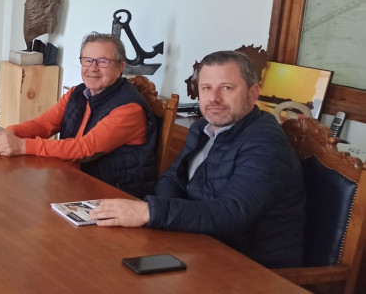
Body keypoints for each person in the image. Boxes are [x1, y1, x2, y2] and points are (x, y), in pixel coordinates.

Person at [89, 51, 305, 268]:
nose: (214, 99)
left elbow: (232, 213)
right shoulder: (204, 128)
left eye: (227, 88)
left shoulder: (266, 143)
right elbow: (171, 180)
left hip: (248, 268)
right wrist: (166, 220)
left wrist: (151, 212)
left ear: (253, 93)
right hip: (197, 244)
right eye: (206, 88)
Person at [0, 32, 157, 198]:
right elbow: (44, 124)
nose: (92, 68)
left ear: (120, 67)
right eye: (87, 60)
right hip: (75, 181)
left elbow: (85, 149)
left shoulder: (129, 108)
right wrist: (10, 133)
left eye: (102, 61)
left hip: (115, 196)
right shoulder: (78, 93)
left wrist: (22, 146)